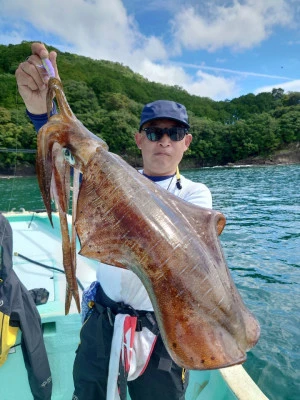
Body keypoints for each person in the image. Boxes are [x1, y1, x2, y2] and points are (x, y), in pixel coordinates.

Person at [15, 43, 212, 400]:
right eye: (154, 133)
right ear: (139, 139)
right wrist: (41, 114)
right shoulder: (105, 179)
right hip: (102, 321)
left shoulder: (196, 198)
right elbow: (64, 160)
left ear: (187, 142)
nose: (163, 141)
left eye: (173, 134)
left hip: (161, 329)